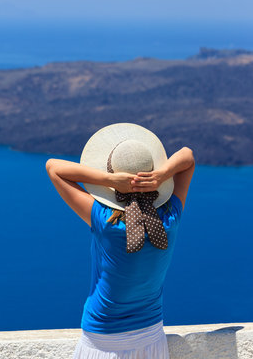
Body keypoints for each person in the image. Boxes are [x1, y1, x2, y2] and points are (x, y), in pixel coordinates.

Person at [46, 123, 195, 359]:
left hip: (102, 340)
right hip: (152, 337)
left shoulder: (106, 222)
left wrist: (110, 179)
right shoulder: (170, 219)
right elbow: (187, 156)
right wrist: (162, 175)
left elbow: (53, 167)